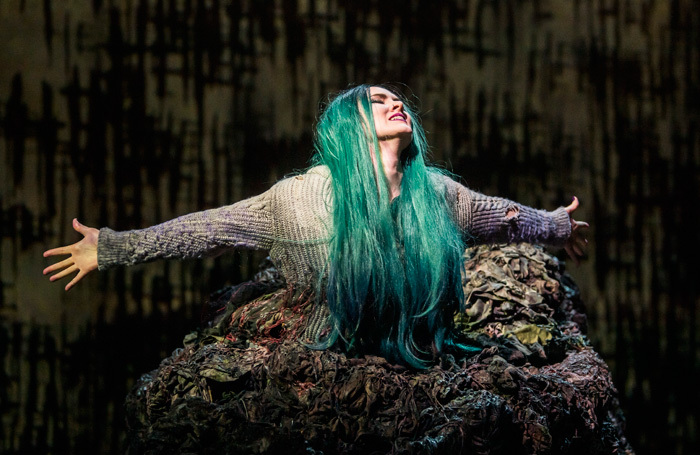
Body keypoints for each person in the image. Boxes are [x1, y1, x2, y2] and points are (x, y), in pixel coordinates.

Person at [43, 84, 588, 369]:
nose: (395, 102)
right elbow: (208, 230)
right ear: (347, 129)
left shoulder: (440, 195)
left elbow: (508, 218)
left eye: (395, 98)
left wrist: (558, 226)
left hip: (421, 355)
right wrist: (113, 249)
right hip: (322, 352)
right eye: (375, 101)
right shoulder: (300, 198)